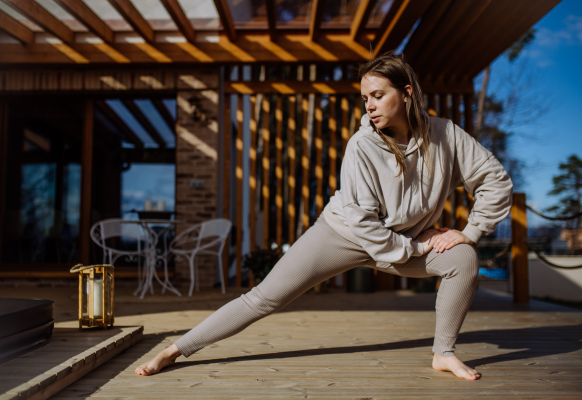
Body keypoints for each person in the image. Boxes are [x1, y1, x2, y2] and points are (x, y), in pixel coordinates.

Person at [135, 52, 513, 381]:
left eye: (378, 96)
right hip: (343, 234)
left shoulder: (446, 135)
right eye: (365, 98)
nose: (369, 105)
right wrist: (415, 244)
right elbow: (363, 222)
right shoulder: (362, 145)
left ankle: (443, 354)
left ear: (407, 92)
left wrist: (472, 231)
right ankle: (176, 350)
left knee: (463, 257)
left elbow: (495, 180)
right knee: (263, 298)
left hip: (403, 242)